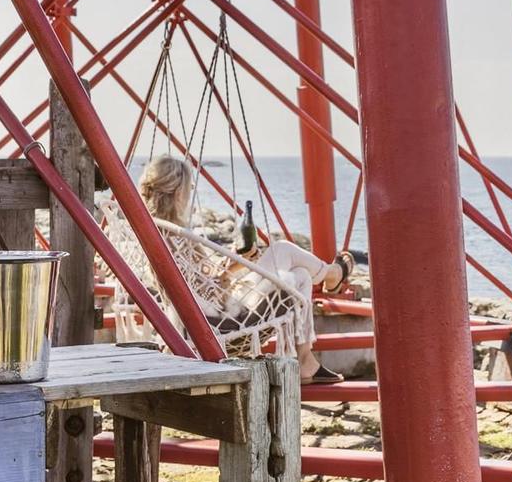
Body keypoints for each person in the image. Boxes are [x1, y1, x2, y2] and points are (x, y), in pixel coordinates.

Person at [134, 155, 351, 379]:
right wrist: (232, 271)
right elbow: (209, 297)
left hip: (208, 317)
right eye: (189, 188)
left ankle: (307, 359)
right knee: (284, 251)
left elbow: (197, 290)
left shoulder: (159, 233)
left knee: (301, 274)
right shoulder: (177, 238)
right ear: (179, 193)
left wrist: (234, 267)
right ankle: (331, 275)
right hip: (222, 324)